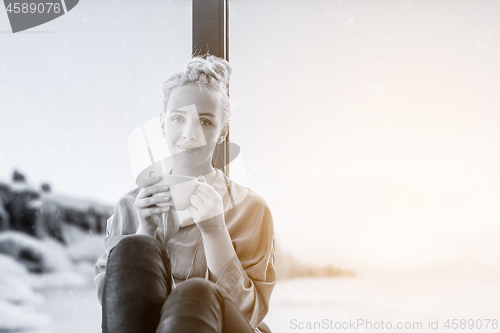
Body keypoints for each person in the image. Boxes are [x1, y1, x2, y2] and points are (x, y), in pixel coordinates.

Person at [94, 54, 277, 333]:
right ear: (162, 123)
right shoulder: (130, 206)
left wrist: (215, 231)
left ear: (223, 131)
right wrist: (146, 229)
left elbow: (249, 313)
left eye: (205, 122)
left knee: (197, 294)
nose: (190, 134)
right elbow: (115, 308)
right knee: (133, 247)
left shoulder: (251, 209)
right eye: (178, 118)